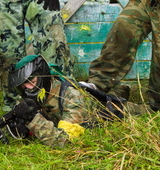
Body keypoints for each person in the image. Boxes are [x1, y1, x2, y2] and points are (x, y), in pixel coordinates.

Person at [8, 55, 150, 148]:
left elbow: (64, 142)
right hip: (88, 101)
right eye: (23, 86)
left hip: (111, 112)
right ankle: (123, 88)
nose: (28, 89)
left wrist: (34, 121)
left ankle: (128, 92)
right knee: (110, 94)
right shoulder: (37, 91)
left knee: (150, 110)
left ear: (44, 77)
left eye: (32, 82)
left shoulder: (71, 98)